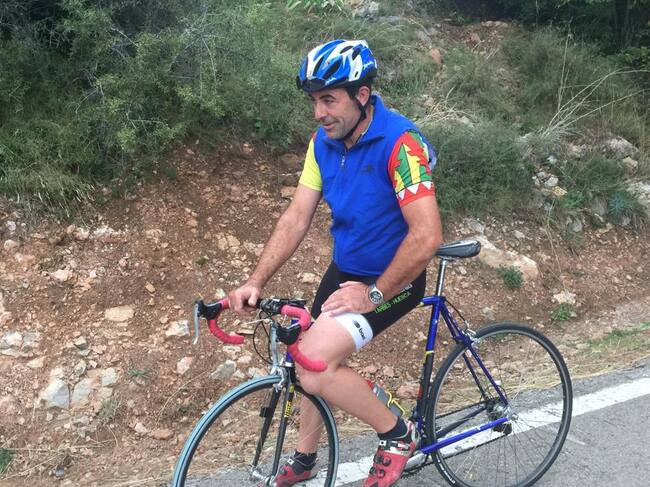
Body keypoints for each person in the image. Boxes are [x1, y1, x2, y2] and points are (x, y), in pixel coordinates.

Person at [229, 39, 443, 487]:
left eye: (328, 100)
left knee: (315, 362)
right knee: (303, 356)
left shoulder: (401, 144)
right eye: (313, 101)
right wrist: (256, 280)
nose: (318, 112)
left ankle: (396, 434)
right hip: (345, 270)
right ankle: (306, 457)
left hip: (393, 278)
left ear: (362, 95)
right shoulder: (322, 144)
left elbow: (426, 236)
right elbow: (297, 216)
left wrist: (374, 294)